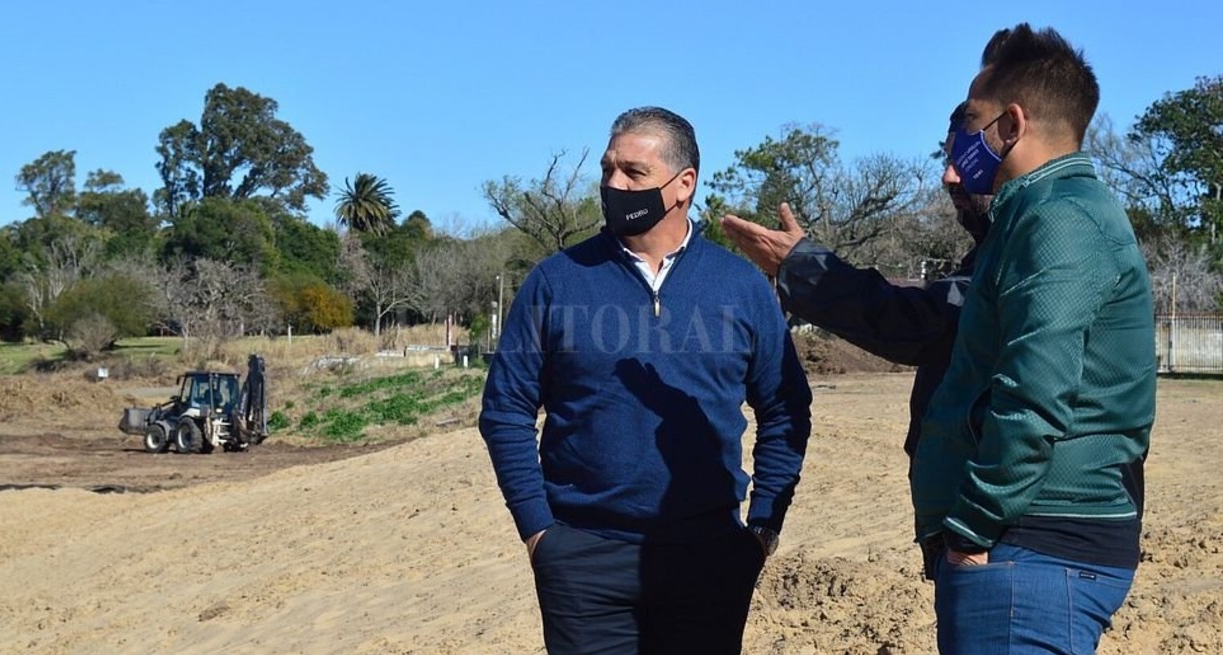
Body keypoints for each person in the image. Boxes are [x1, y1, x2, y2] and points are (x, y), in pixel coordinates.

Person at [478, 106, 813, 655]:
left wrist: (762, 531)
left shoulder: (741, 287)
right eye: (608, 170)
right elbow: (505, 410)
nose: (614, 184)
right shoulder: (556, 281)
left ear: (684, 186)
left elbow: (785, 410)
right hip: (581, 559)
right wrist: (540, 532)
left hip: (709, 557)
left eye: (633, 173)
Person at [915, 24, 1156, 654]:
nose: (960, 141)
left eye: (971, 119)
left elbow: (1033, 395)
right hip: (1025, 546)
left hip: (1033, 548)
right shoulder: (1031, 215)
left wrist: (970, 529)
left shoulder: (1058, 220)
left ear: (1011, 125)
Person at [720, 101, 992, 580]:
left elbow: (923, 323)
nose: (949, 178)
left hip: (997, 547)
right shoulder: (992, 252)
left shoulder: (1026, 252)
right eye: (944, 160)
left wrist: (805, 271)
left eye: (962, 158)